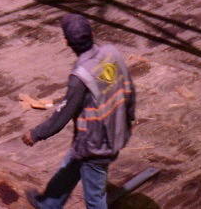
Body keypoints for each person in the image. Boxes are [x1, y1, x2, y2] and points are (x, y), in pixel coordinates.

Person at [21, 13, 136, 209]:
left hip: (95, 146)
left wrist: (36, 134)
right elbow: (129, 88)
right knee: (71, 164)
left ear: (66, 42)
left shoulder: (80, 77)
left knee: (94, 199)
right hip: (111, 132)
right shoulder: (112, 53)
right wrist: (129, 118)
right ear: (92, 33)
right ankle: (49, 204)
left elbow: (62, 116)